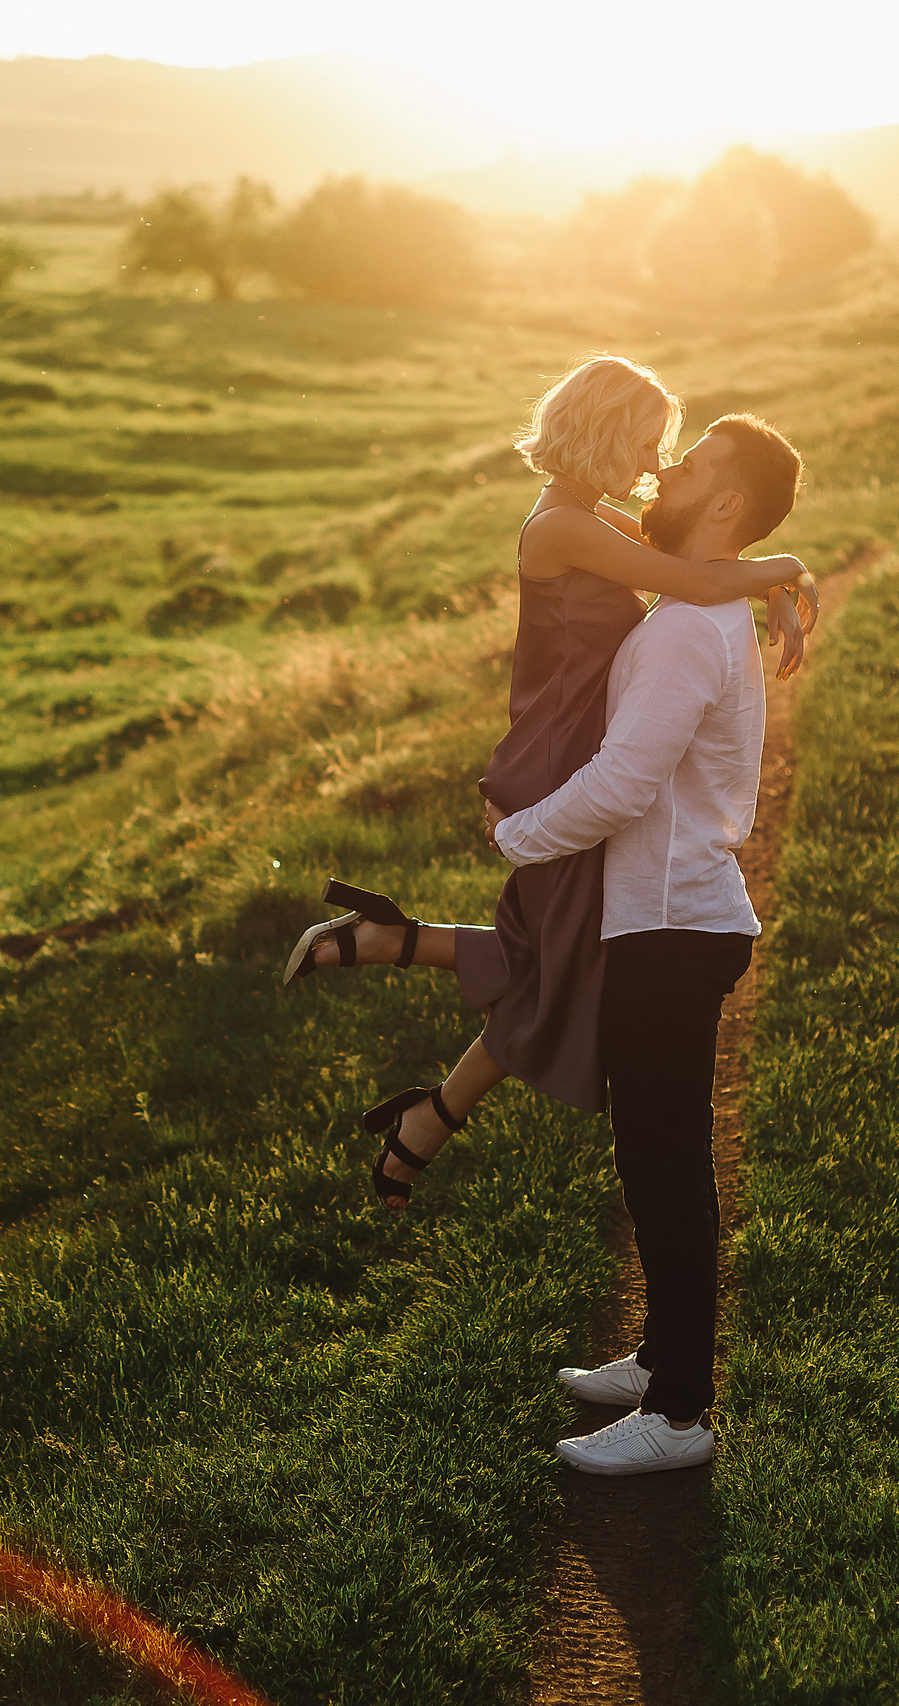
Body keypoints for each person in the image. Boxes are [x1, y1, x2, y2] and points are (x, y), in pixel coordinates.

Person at [284, 358, 813, 1218]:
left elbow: (690, 561)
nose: (654, 463)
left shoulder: (585, 515)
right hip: (561, 749)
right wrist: (786, 567)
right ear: (605, 431)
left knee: (565, 954)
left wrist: (775, 583)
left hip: (574, 739)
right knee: (566, 963)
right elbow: (697, 580)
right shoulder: (561, 527)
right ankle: (420, 1093)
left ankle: (396, 968)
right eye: (647, 442)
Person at [494, 414, 809, 1476]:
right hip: (670, 917)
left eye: (693, 463)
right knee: (654, 1159)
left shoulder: (686, 628)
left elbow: (625, 784)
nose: (666, 470)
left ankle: (678, 1415)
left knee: (666, 1166)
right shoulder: (697, 605)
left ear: (725, 504)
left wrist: (516, 836)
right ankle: (661, 1359)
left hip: (672, 925)